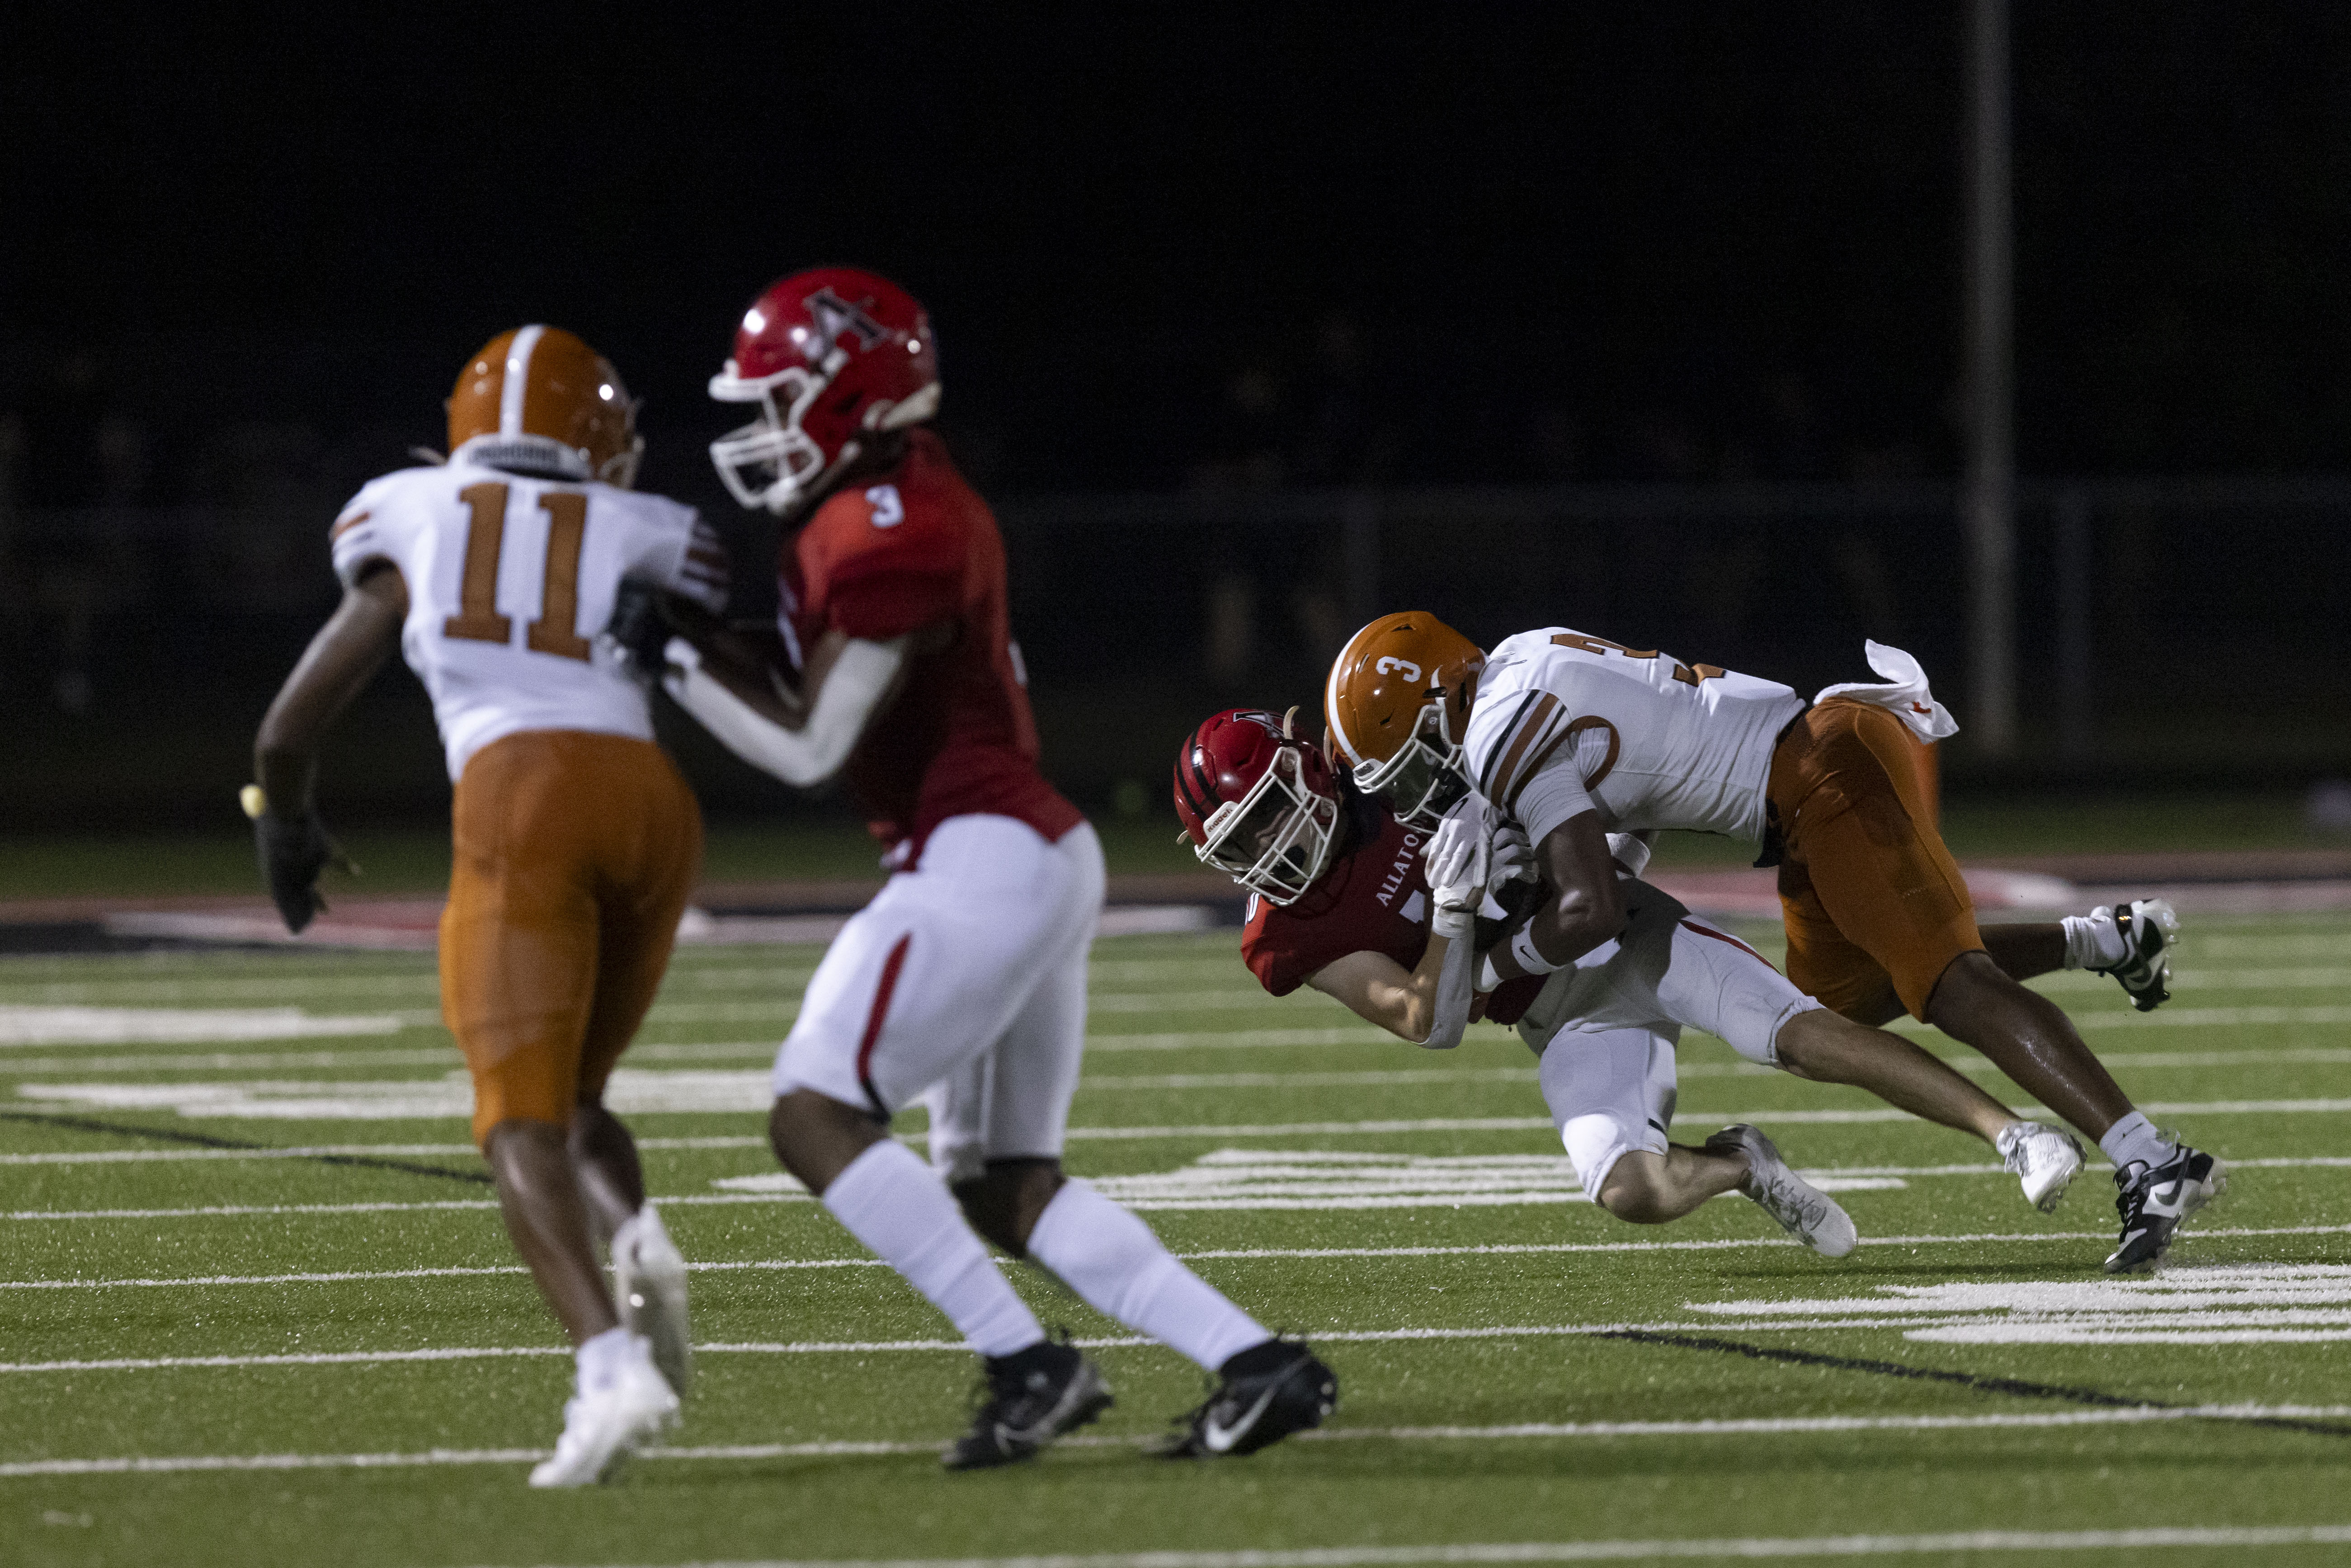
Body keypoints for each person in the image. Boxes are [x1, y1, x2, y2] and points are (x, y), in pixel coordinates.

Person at [648, 267, 1335, 1468]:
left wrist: (660, 651)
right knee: (999, 1179)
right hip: (1019, 851)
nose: (758, 427)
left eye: (776, 397)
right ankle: (1253, 1359)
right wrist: (704, 635)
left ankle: (1030, 1362)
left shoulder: (892, 526)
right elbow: (813, 685)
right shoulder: (881, 502)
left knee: (814, 1111)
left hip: (979, 849)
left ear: (846, 389)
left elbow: (810, 744)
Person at [1322, 615, 2216, 1273]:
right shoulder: (1521, 662)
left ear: (1441, 702)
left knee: (1945, 982)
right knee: (1855, 992)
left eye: (1408, 760)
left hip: (1821, 773)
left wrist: (1488, 965)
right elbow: (1630, 812)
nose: (1414, 791)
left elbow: (1592, 912)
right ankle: (2101, 942)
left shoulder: (1498, 731)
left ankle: (2151, 1156)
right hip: (1805, 786)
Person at [248, 327, 723, 1484]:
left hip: (521, 795)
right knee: (575, 1099)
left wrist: (286, 822)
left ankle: (607, 1367)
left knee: (515, 1118)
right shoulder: (647, 525)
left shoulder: (413, 510)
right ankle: (640, 1240)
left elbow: (289, 726)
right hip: (656, 803)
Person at [1173, 708, 2084, 1253]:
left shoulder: (1377, 765)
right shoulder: (1284, 937)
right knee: (1631, 1192)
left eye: (1269, 818)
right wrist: (1451, 911)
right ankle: (1741, 1162)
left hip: (1622, 934)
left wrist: (1561, 834)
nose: (1271, 848)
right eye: (1244, 844)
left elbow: (1514, 758)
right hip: (1553, 1013)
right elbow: (1425, 1018)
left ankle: (2012, 1136)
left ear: (1308, 775)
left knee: (1802, 1037)